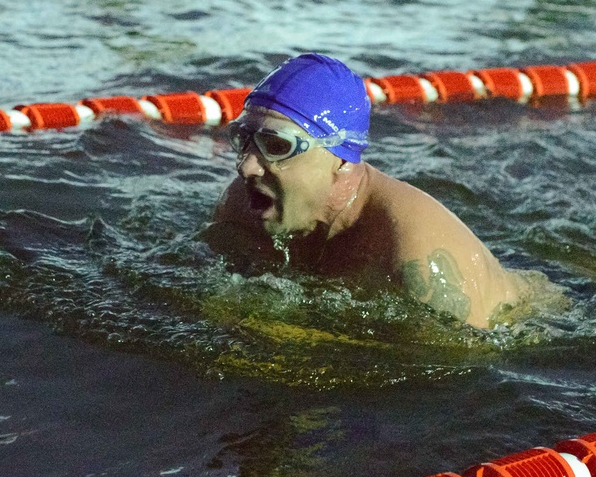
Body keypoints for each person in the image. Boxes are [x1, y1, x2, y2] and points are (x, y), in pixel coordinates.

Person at [204, 53, 565, 328]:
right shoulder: (241, 204)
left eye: (276, 146)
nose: (247, 167)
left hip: (540, 318)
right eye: (244, 139)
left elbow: (466, 370)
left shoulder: (415, 251)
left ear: (341, 159)